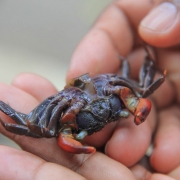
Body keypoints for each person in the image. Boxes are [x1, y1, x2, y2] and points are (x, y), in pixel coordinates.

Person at [0, 0, 180, 179]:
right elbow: (33, 126)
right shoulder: (66, 104)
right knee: (32, 126)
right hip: (72, 104)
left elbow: (139, 92)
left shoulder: (111, 86)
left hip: (112, 83)